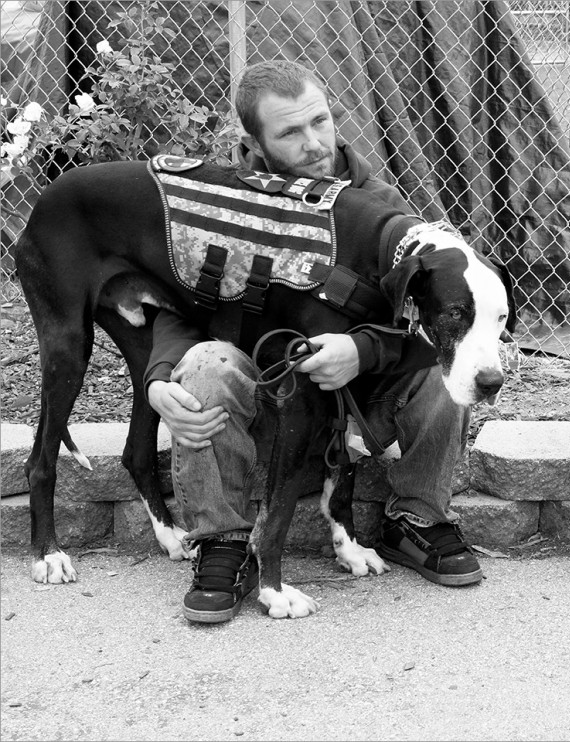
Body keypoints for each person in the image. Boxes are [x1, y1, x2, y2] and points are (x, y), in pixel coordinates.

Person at [146, 60, 481, 624]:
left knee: (452, 362)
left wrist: (363, 352)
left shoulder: (382, 206)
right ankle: (224, 544)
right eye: (290, 133)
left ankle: (418, 518)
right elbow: (180, 300)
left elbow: (432, 318)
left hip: (361, 404)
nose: (314, 144)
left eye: (320, 122)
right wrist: (159, 380)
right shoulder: (220, 201)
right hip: (266, 394)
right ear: (252, 141)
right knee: (204, 364)